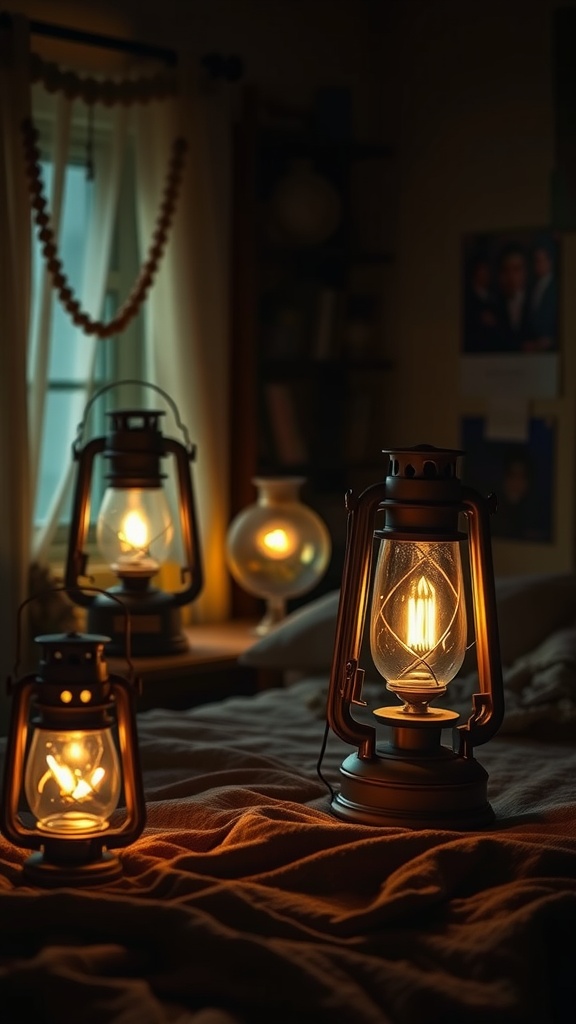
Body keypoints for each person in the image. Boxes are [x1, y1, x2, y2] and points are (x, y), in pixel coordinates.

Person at [494, 244, 531, 351]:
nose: (511, 277)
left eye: (517, 269)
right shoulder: (495, 306)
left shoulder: (535, 304)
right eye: (506, 270)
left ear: (525, 272)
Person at [525, 242, 557, 351]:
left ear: (550, 261)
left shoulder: (556, 287)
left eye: (541, 260)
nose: (538, 264)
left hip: (551, 349)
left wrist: (552, 340)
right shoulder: (532, 287)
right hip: (533, 349)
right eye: (536, 260)